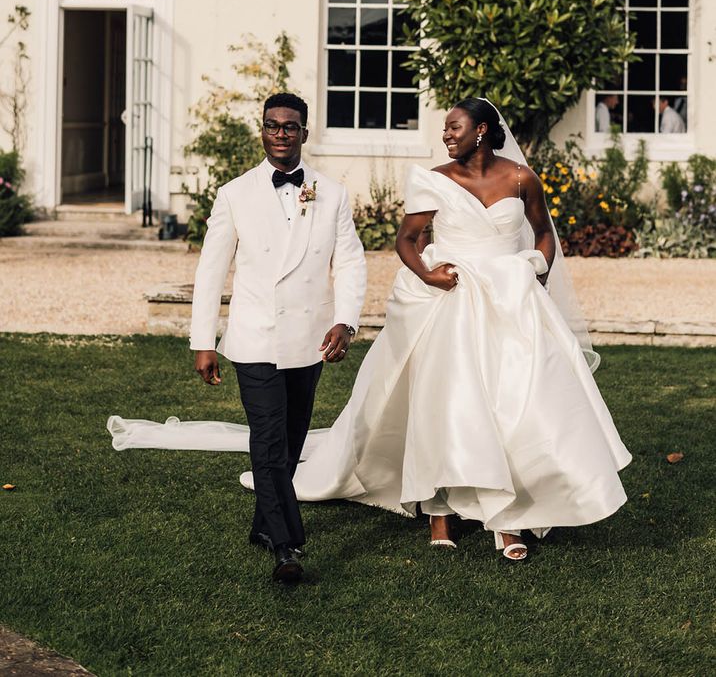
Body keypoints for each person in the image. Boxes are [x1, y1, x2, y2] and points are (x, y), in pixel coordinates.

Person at [277, 98, 631, 560]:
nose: (446, 135)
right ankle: (439, 505)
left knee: (515, 401)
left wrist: (534, 271)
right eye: (445, 129)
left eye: (454, 127)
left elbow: (544, 234)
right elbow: (406, 241)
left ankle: (510, 514)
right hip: (451, 299)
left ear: (481, 131)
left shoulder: (522, 178)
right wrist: (428, 276)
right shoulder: (434, 180)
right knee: (448, 402)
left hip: (509, 301)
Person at [190, 92, 366, 584]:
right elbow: (211, 272)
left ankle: (263, 525)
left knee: (289, 442)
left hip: (309, 338)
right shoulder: (235, 194)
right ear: (262, 131)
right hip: (254, 338)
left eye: (291, 126)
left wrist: (346, 321)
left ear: (305, 133)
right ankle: (286, 547)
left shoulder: (331, 193)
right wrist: (204, 340)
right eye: (273, 125)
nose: (281, 133)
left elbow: (350, 261)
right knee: (268, 441)